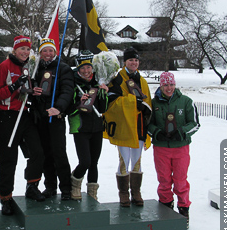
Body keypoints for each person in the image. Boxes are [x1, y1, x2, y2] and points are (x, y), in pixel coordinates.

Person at [0, 35, 45, 215]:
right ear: (14, 50)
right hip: (6, 116)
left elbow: (25, 92)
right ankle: (5, 197)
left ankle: (32, 186)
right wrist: (16, 85)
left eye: (27, 49)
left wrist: (32, 91)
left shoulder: (28, 67)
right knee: (8, 157)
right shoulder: (4, 67)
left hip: (24, 114)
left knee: (37, 151)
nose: (25, 52)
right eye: (22, 49)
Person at [148, 72, 200, 228]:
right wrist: (157, 132)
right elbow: (148, 124)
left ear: (175, 85)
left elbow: (195, 123)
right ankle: (165, 208)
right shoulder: (154, 103)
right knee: (164, 180)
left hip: (180, 148)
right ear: (161, 86)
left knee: (180, 180)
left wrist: (182, 132)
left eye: (171, 85)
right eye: (165, 85)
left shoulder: (186, 102)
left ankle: (184, 209)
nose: (169, 88)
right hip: (161, 148)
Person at [104, 47, 152, 207]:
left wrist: (145, 108)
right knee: (124, 160)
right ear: (125, 62)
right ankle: (123, 193)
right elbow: (112, 102)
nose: (134, 63)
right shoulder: (117, 79)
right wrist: (133, 103)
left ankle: (136, 192)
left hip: (139, 126)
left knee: (137, 161)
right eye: (131, 60)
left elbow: (148, 103)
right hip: (124, 126)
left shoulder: (143, 81)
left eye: (136, 60)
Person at [30, 38, 73, 200]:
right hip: (40, 116)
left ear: (55, 52)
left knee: (59, 152)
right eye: (44, 51)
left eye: (50, 51)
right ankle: (50, 186)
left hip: (55, 116)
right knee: (45, 153)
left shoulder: (63, 68)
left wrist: (59, 108)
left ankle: (66, 188)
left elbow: (67, 90)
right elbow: (31, 86)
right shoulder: (36, 68)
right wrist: (32, 91)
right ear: (40, 53)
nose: (47, 54)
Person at [67, 52, 108, 201]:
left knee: (94, 163)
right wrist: (79, 102)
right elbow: (68, 109)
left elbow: (103, 109)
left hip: (97, 128)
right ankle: (75, 184)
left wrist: (104, 93)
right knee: (85, 161)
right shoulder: (73, 84)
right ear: (78, 69)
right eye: (83, 68)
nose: (86, 71)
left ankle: (92, 192)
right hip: (80, 128)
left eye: (88, 67)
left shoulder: (97, 83)